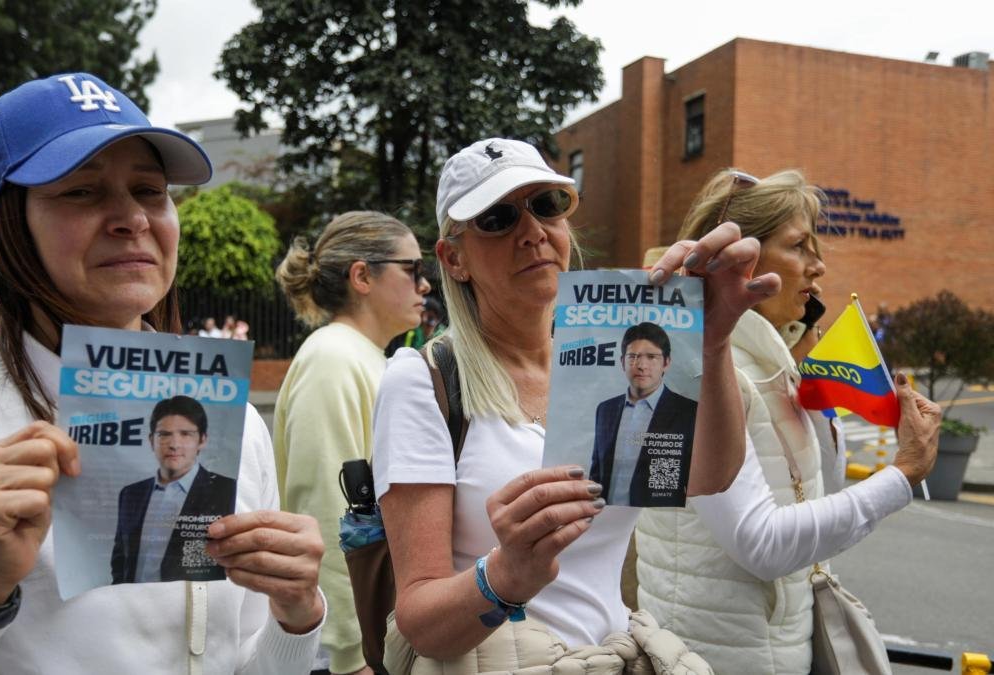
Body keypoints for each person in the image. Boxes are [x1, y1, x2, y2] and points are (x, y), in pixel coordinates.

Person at [0, 72, 325, 674]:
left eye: (150, 190)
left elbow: (242, 659)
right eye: (82, 192)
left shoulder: (233, 426)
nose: (132, 218)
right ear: (0, 233)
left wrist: (296, 614)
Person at [371, 137, 771, 663]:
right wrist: (506, 575)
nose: (533, 232)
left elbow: (708, 475)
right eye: (497, 218)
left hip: (610, 657)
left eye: (547, 205)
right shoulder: (423, 380)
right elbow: (421, 624)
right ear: (454, 258)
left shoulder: (611, 364)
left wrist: (714, 340)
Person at [634, 168, 941, 674]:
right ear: (739, 260)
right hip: (716, 658)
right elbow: (762, 545)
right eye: (799, 246)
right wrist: (902, 473)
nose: (818, 267)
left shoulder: (769, 359)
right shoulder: (700, 364)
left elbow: (819, 492)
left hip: (772, 651)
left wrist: (813, 388)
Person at [273, 210, 430, 675]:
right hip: (351, 651)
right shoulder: (333, 359)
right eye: (413, 269)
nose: (425, 286)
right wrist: (348, 654)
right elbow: (326, 509)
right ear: (363, 275)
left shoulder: (368, 359)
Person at [112, 395, 237, 585]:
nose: (174, 444)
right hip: (128, 607)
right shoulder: (130, 494)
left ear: (202, 440)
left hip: (188, 611)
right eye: (164, 434)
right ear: (151, 440)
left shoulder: (225, 490)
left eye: (185, 434)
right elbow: (121, 560)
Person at [592, 322, 697, 507]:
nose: (641, 365)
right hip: (605, 519)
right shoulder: (605, 409)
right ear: (622, 362)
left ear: (666, 362)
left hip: (654, 524)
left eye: (651, 357)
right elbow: (597, 472)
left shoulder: (688, 412)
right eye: (633, 356)